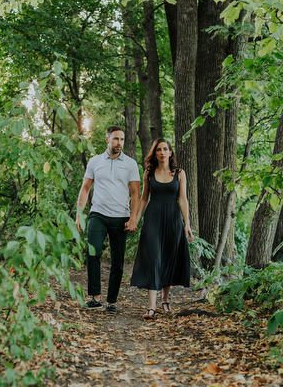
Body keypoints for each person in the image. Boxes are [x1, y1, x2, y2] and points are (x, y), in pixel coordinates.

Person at [75, 126, 141, 314]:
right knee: (93, 253)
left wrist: (133, 218)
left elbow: (136, 193)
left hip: (121, 217)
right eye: (115, 139)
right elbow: (86, 188)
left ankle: (111, 301)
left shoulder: (130, 164)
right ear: (107, 140)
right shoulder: (95, 162)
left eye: (121, 139)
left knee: (117, 261)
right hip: (98, 214)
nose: (119, 143)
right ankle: (95, 298)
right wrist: (79, 214)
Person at [130, 138, 194, 320]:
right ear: (155, 153)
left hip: (173, 219)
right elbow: (144, 199)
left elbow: (183, 199)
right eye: (159, 149)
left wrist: (187, 224)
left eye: (165, 149)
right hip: (153, 220)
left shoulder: (180, 173)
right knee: (154, 259)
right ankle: (151, 307)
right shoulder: (149, 172)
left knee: (168, 258)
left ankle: (165, 301)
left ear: (170, 152)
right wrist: (135, 219)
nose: (162, 152)